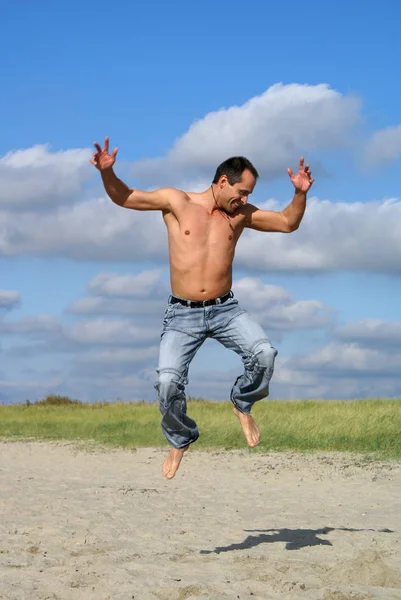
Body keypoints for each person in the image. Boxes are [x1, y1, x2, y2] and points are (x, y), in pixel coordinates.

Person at [91, 137, 314, 479]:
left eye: (249, 195)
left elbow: (287, 222)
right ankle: (180, 438)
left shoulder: (239, 216)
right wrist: (108, 173)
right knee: (167, 383)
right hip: (182, 314)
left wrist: (300, 194)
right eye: (243, 191)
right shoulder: (176, 202)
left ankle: (242, 403)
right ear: (223, 181)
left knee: (265, 354)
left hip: (226, 310)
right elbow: (125, 197)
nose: (245, 199)